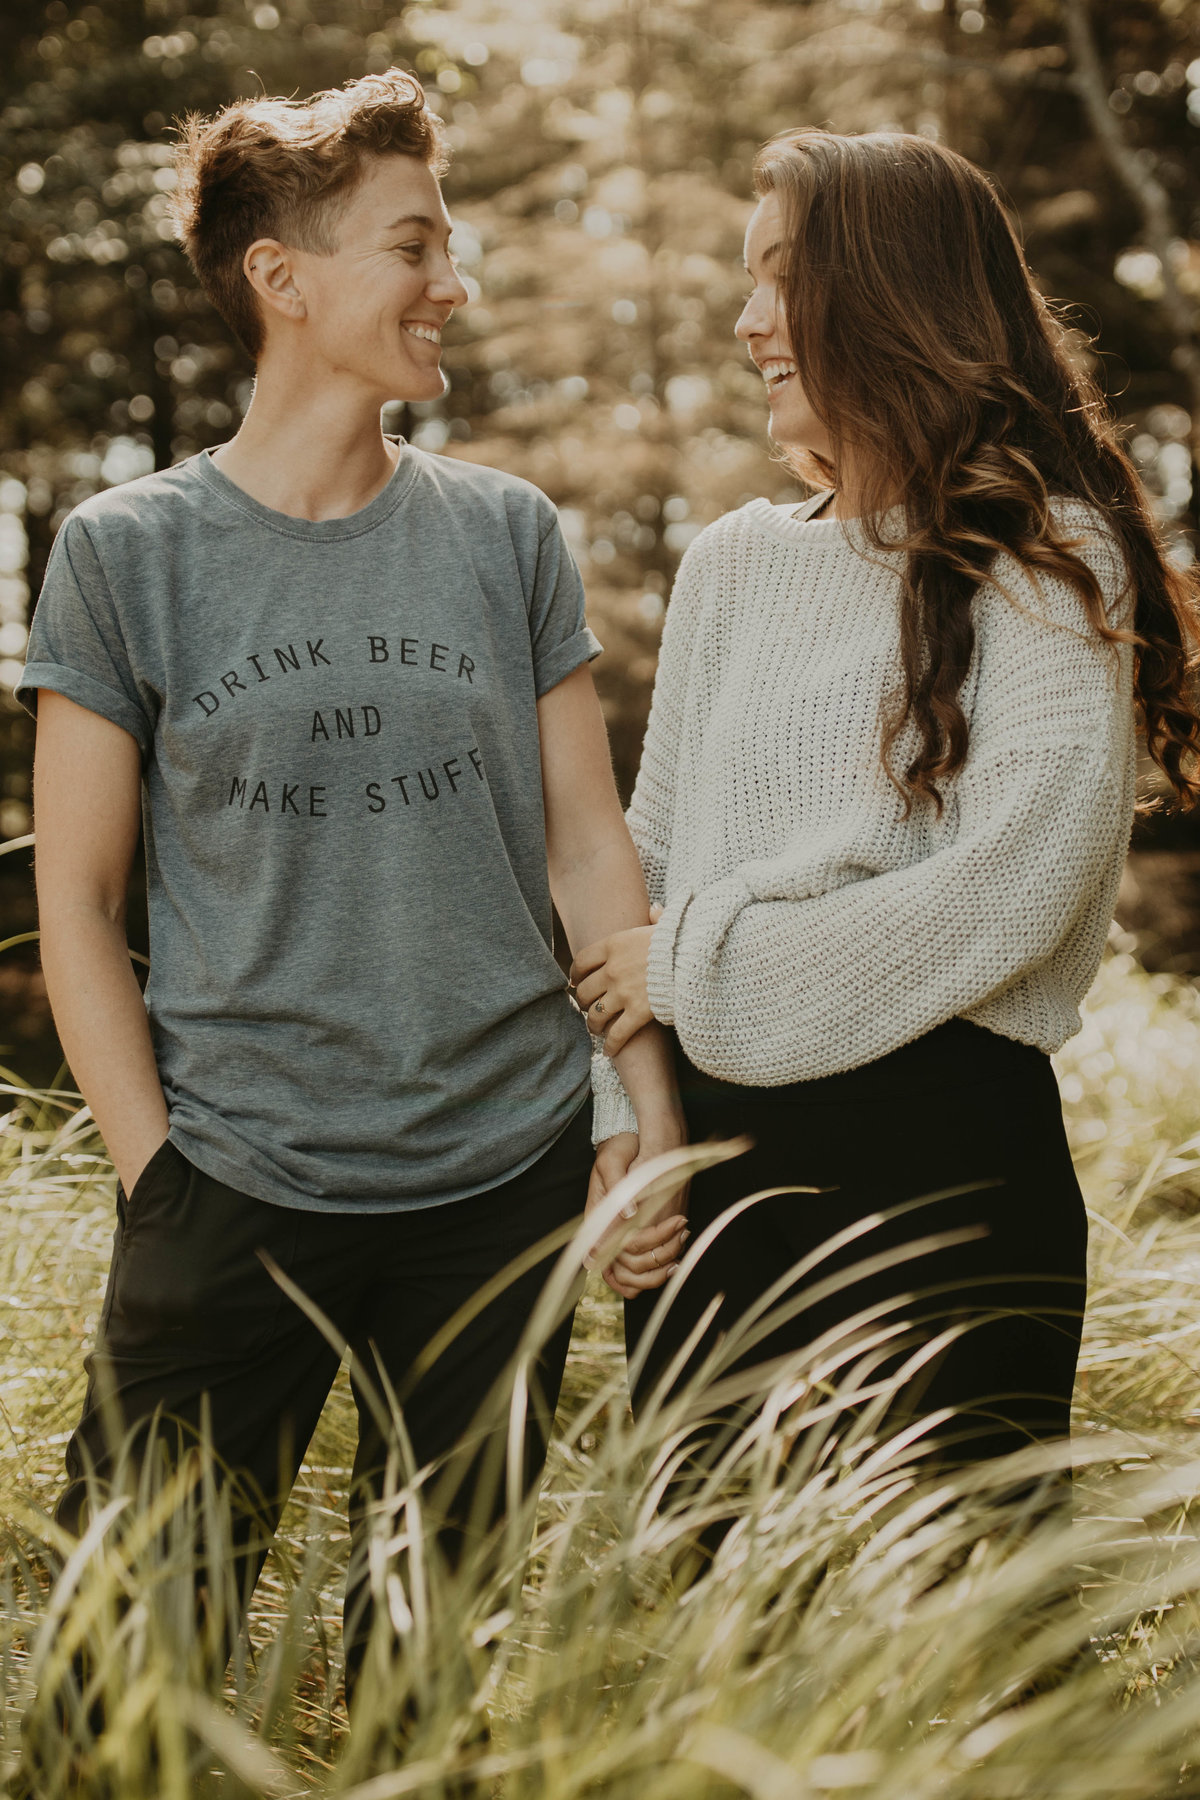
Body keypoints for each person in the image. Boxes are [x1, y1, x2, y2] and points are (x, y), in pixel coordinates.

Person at [16, 68, 687, 1742]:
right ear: (282, 277)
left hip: (497, 1184)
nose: (450, 284)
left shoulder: (505, 535)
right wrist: (157, 1177)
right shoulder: (129, 552)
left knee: (429, 1693)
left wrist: (639, 1110)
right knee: (124, 1692)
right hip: (233, 1181)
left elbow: (590, 850)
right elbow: (80, 902)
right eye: (415, 245)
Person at [571, 129, 1200, 1517]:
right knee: (728, 1643)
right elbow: (648, 862)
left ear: (891, 292)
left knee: (951, 1667)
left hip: (940, 1172)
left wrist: (692, 969)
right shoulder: (731, 566)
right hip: (715, 1175)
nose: (747, 322)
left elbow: (1018, 883)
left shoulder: (1043, 549)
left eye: (783, 279)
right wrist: (631, 1113)